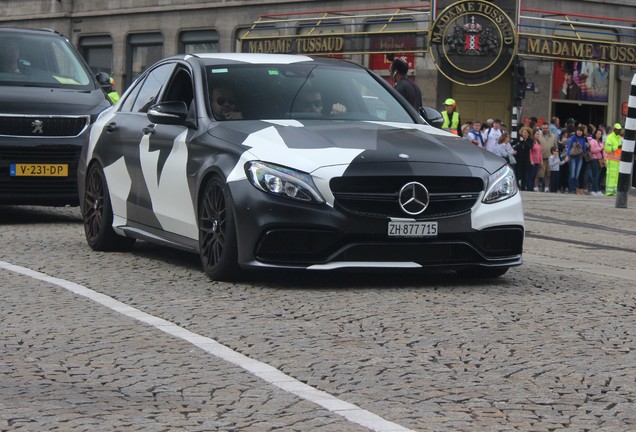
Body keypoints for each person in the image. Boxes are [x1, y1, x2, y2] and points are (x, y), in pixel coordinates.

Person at [536, 122, 558, 192]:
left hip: (550, 158)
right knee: (539, 174)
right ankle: (536, 187)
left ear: (548, 128)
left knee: (548, 174)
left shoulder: (553, 136)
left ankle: (546, 187)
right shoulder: (539, 136)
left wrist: (556, 156)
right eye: (543, 128)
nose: (545, 129)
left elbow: (556, 147)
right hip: (541, 158)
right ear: (541, 128)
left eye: (546, 128)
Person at [604, 123, 623, 196]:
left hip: (617, 160)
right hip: (611, 160)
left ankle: (614, 191)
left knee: (616, 176)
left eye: (620, 130)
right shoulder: (610, 137)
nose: (619, 131)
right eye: (618, 130)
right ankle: (608, 192)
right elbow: (607, 149)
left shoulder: (619, 137)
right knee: (610, 176)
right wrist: (617, 147)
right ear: (614, 129)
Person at [566, 126, 587, 193]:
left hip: (580, 157)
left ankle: (575, 188)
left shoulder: (583, 139)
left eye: (580, 131)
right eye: (578, 130)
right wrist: (567, 155)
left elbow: (584, 149)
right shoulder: (573, 138)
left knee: (577, 174)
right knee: (572, 173)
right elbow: (569, 147)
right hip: (572, 157)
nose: (579, 132)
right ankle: (571, 189)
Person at [513, 126, 533, 190]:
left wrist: (524, 141)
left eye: (526, 133)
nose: (524, 134)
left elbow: (529, 146)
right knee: (518, 172)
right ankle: (517, 185)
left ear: (528, 134)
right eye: (523, 133)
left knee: (525, 173)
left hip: (526, 159)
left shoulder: (530, 140)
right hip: (518, 158)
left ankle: (523, 186)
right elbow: (512, 144)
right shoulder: (519, 139)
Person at [586, 128, 604, 196]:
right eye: (598, 133)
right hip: (594, 159)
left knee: (598, 175)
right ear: (595, 134)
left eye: (600, 133)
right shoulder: (592, 141)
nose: (599, 135)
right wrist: (600, 148)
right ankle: (594, 190)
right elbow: (592, 150)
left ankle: (597, 189)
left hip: (600, 159)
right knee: (595, 175)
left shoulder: (600, 141)